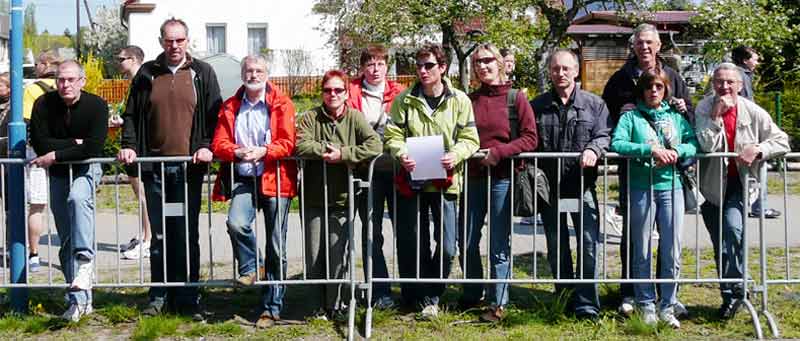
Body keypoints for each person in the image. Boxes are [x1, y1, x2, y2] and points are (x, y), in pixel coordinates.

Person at [117, 17, 222, 321]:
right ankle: (159, 295)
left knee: (186, 233)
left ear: (187, 41)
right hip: (155, 170)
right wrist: (130, 146)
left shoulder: (202, 72)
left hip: (188, 170)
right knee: (160, 235)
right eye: (169, 40)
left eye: (180, 40)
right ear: (161, 41)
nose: (174, 46)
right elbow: (132, 114)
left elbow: (214, 113)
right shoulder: (148, 73)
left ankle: (189, 295)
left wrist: (205, 145)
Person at [601, 23, 693, 316]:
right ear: (634, 46)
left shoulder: (674, 77)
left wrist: (682, 110)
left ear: (658, 46)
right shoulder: (619, 79)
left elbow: (687, 117)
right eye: (639, 42)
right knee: (635, 236)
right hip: (635, 171)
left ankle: (668, 296)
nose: (644, 47)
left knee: (669, 241)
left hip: (670, 176)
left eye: (649, 42)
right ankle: (633, 293)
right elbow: (608, 117)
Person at [384, 44, 480, 319]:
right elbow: (392, 135)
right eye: (419, 66)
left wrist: (456, 154)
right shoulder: (404, 99)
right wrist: (401, 154)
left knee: (448, 244)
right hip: (412, 182)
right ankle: (415, 295)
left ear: (442, 68)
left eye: (428, 66)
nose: (422, 71)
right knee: (413, 241)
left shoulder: (460, 100)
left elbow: (471, 138)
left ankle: (433, 292)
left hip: (446, 183)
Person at [695, 63, 789, 320]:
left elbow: (781, 140)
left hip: (740, 185)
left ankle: (737, 292)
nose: (724, 87)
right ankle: (733, 291)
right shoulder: (704, 107)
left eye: (729, 82)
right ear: (713, 84)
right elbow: (706, 144)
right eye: (719, 81)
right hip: (713, 186)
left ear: (739, 85)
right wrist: (715, 116)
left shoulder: (752, 111)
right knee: (721, 244)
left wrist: (758, 149)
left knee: (733, 231)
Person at [211, 54, 297, 328]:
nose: (253, 75)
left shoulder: (282, 103)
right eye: (249, 70)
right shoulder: (230, 106)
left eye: (259, 70)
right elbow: (218, 143)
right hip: (245, 179)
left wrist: (265, 151)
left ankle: (271, 308)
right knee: (236, 223)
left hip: (275, 178)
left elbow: (288, 142)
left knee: (276, 246)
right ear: (242, 74)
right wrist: (236, 151)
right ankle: (251, 266)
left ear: (267, 74)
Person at [611, 70, 698, 328]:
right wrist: (648, 149)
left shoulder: (676, 117)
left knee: (672, 248)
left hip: (672, 188)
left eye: (659, 87)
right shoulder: (631, 117)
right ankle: (645, 303)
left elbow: (692, 143)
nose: (654, 92)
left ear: (666, 89)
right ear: (642, 90)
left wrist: (676, 151)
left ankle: (668, 304)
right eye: (649, 87)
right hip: (641, 188)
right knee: (642, 247)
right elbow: (618, 143)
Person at [530, 49, 610, 320]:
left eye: (565, 68)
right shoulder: (537, 105)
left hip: (582, 187)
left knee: (588, 244)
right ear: (549, 72)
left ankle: (587, 303)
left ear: (576, 70)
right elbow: (530, 139)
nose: (560, 73)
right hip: (550, 189)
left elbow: (603, 134)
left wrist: (594, 149)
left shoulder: (593, 104)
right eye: (555, 69)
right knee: (557, 244)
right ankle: (564, 296)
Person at [296, 70, 382, 319]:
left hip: (344, 198)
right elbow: (300, 144)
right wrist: (326, 150)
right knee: (314, 254)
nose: (332, 94)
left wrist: (344, 154)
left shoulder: (355, 117)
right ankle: (314, 306)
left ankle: (336, 305)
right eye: (327, 90)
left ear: (346, 93)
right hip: (313, 197)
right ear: (321, 92)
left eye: (338, 90)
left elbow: (375, 144)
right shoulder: (311, 116)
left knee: (338, 254)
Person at [461, 43, 537, 321]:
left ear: (500, 63)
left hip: (504, 178)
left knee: (498, 243)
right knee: (467, 240)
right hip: (473, 178)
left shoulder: (516, 98)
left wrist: (498, 153)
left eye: (488, 60)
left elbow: (530, 137)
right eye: (478, 62)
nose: (483, 66)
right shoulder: (468, 100)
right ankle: (472, 293)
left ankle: (498, 301)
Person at [29, 60, 108, 321]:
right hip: (59, 174)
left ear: (82, 81)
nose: (65, 85)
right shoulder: (43, 104)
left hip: (87, 169)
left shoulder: (96, 105)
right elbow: (40, 143)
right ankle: (79, 300)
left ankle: (85, 262)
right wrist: (68, 147)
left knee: (78, 198)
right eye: (61, 80)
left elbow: (93, 148)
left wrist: (56, 152)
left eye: (71, 79)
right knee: (65, 238)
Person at [345, 44, 405, 310]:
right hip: (364, 172)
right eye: (370, 64)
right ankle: (379, 291)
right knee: (372, 232)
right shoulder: (350, 92)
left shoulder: (400, 92)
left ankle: (412, 290)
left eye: (380, 64)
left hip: (397, 171)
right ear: (362, 67)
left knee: (406, 231)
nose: (376, 69)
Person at [112, 45, 153, 260]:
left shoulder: (143, 82)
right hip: (133, 147)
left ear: (134, 59)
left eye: (121, 58)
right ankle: (146, 235)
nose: (117, 62)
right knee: (140, 195)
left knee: (144, 195)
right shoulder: (135, 82)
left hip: (140, 149)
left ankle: (149, 239)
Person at [22, 49, 61, 273]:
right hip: (62, 153)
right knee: (67, 204)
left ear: (44, 64)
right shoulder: (67, 85)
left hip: (37, 154)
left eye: (37, 63)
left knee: (36, 206)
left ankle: (34, 254)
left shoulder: (32, 90)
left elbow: (27, 122)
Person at [731, 46, 780, 219]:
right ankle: (759, 206)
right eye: (755, 59)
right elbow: (746, 104)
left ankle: (756, 205)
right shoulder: (740, 76)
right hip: (747, 130)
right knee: (758, 166)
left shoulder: (739, 74)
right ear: (745, 60)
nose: (757, 63)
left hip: (743, 128)